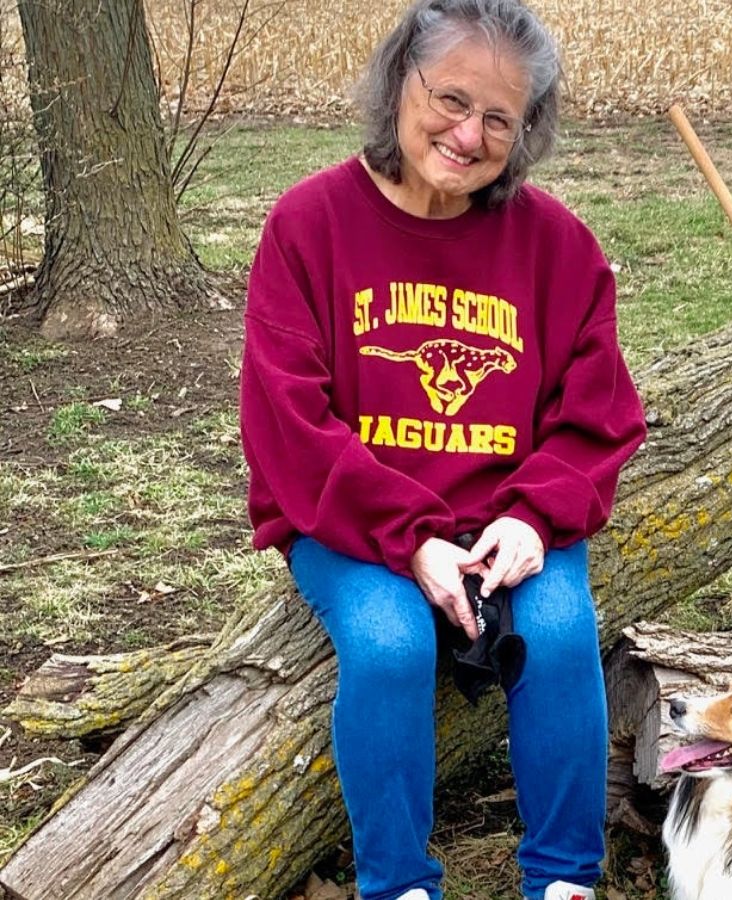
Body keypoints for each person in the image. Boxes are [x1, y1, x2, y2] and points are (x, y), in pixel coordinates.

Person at [238, 1, 646, 898]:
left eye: (500, 117)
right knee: (388, 645)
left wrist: (536, 517)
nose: (468, 134)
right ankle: (399, 882)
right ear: (398, 84)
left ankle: (566, 877)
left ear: (527, 129)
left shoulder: (560, 247)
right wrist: (408, 535)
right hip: (351, 519)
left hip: (506, 520)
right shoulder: (308, 226)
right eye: (450, 99)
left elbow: (599, 414)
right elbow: (287, 426)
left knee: (559, 629)